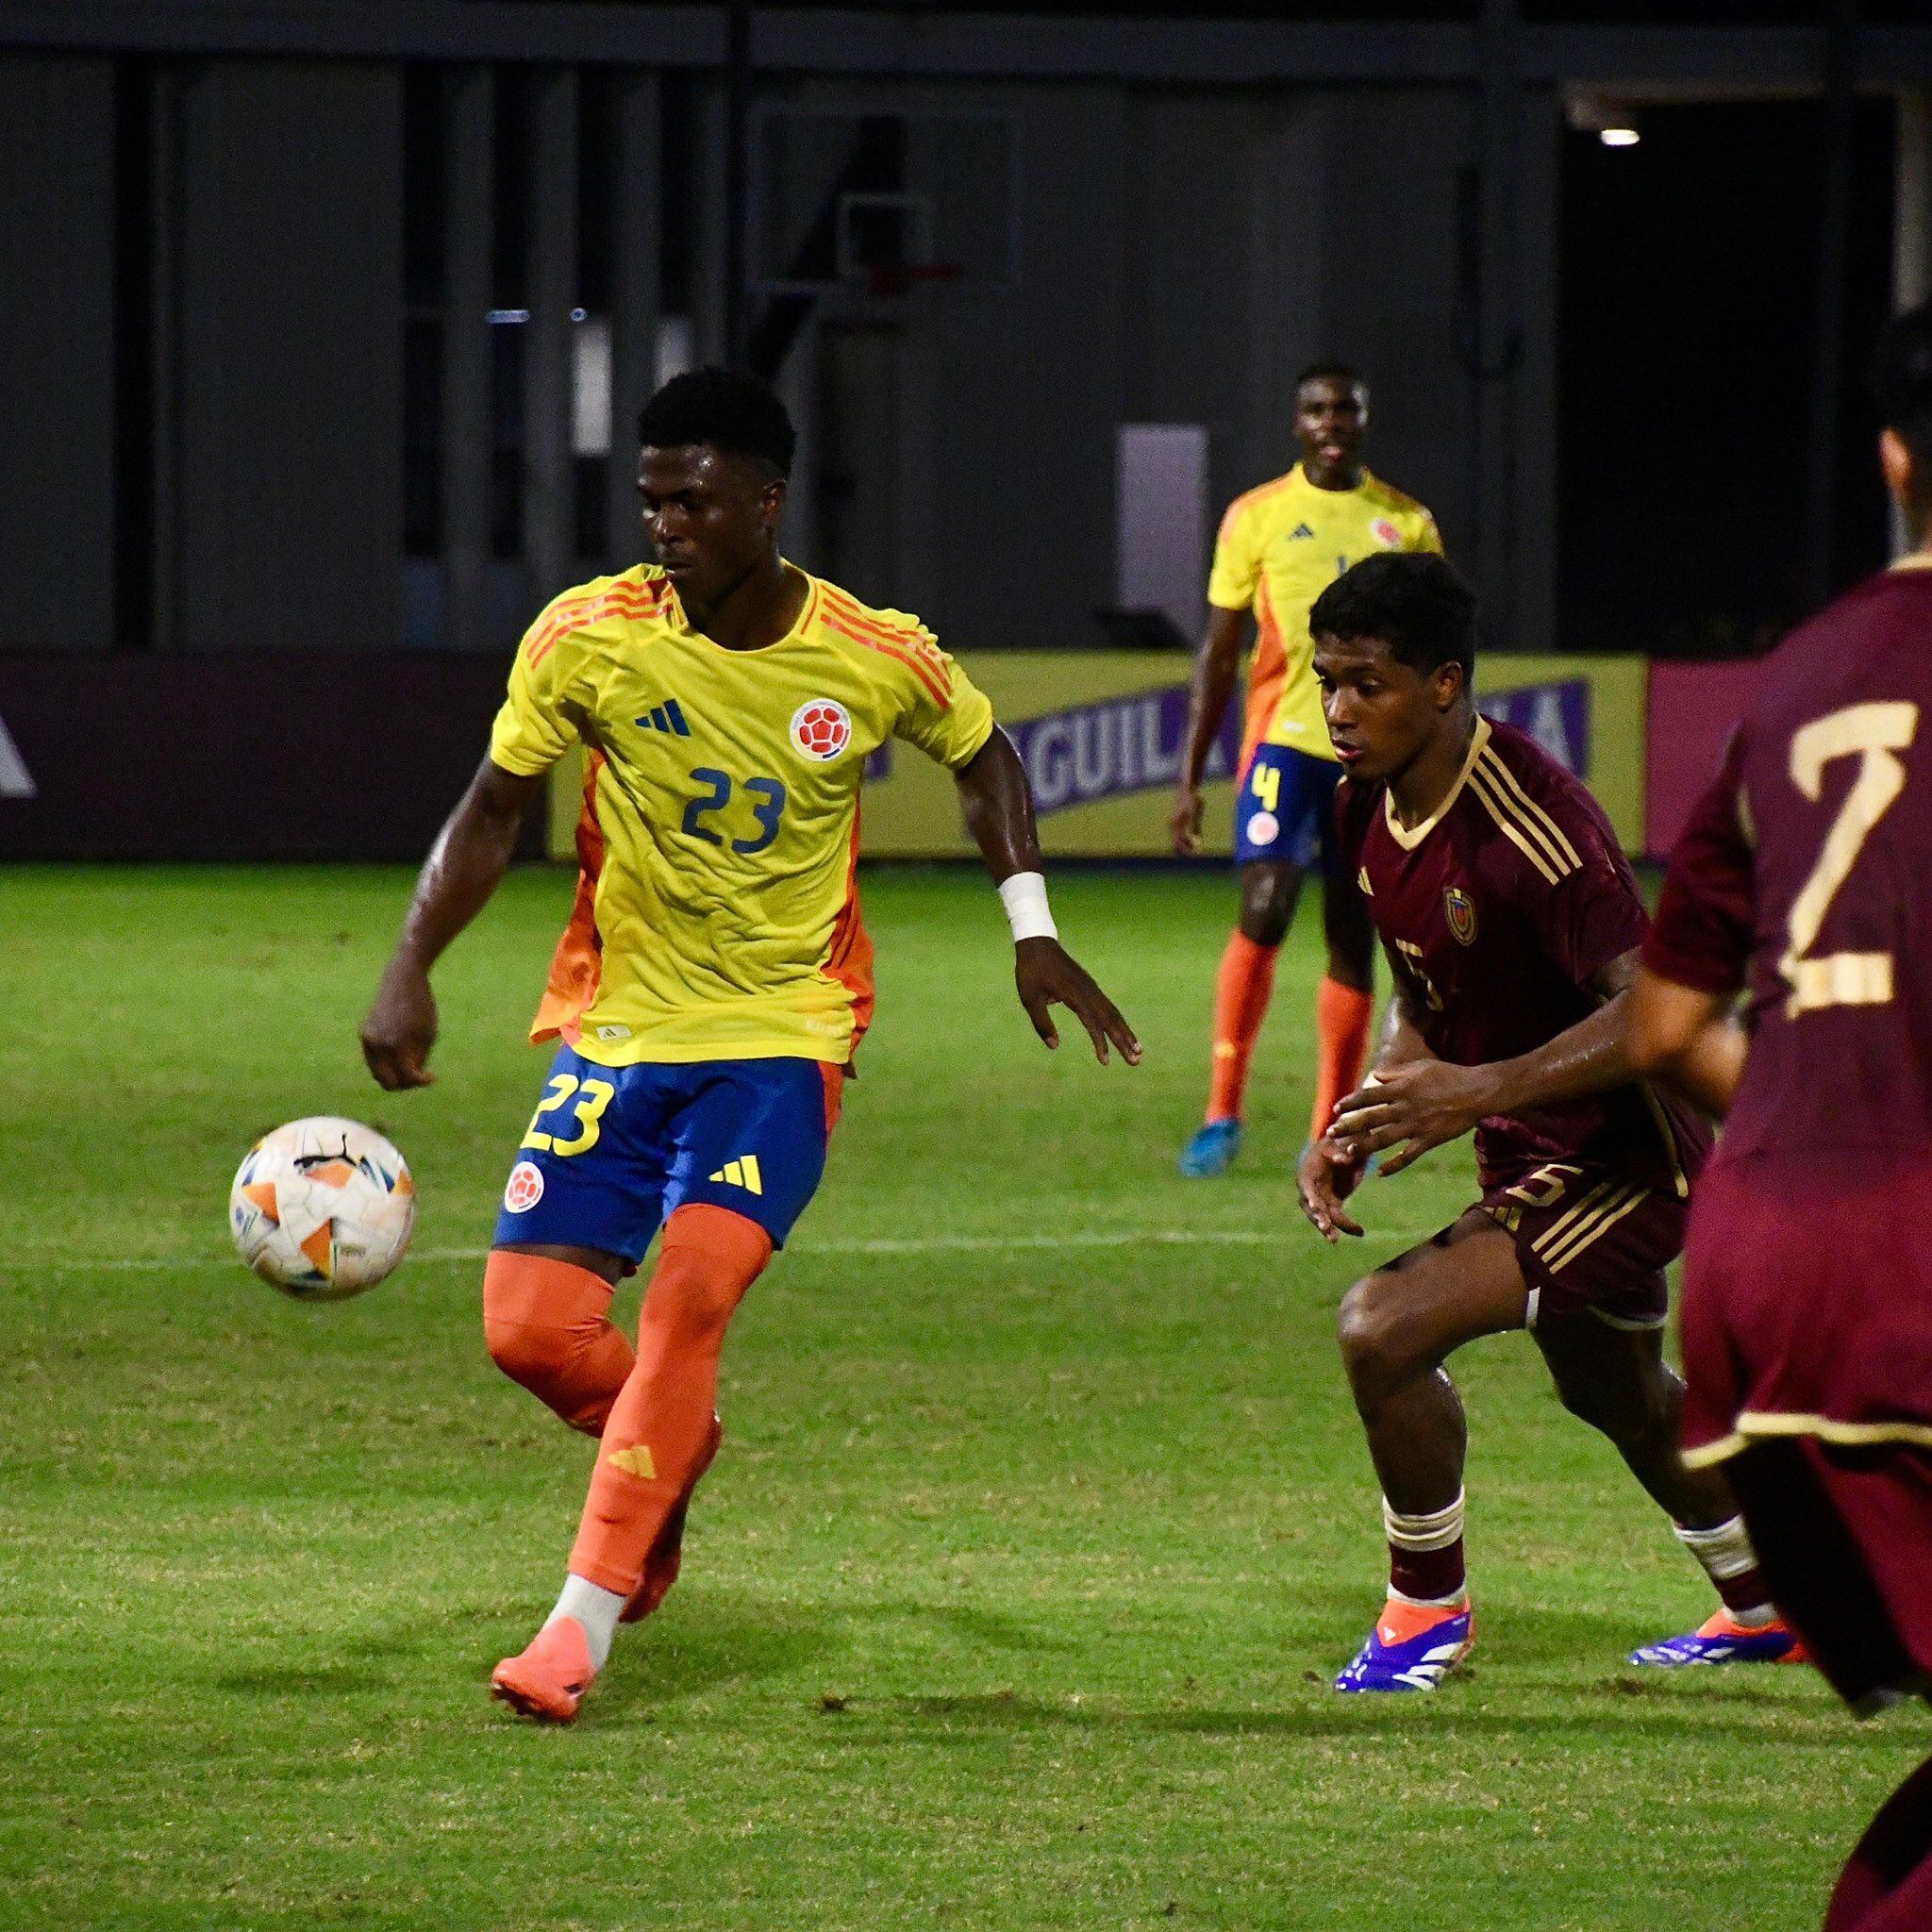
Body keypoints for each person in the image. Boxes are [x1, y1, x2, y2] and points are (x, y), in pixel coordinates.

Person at [360, 367, 1139, 1724]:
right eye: (652, 499)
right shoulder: (588, 636)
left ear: (765, 504)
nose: (664, 526)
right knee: (531, 1334)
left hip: (786, 1034)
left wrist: (1032, 925)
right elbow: (493, 809)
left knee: (689, 1300)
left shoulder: (867, 650)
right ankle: (670, 1440)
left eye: (692, 502)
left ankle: (575, 1632)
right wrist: (411, 967)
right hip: (623, 1028)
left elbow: (985, 752)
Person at [1293, 551, 1799, 1690]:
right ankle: (1769, 1597)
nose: (1336, 709)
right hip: (1533, 1147)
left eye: (1364, 683)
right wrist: (1360, 1114)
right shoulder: (1361, 803)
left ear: (1442, 682)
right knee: (1612, 1388)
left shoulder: (1532, 817)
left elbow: (1662, 1015)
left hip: (1629, 1156)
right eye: (1326, 681)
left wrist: (1475, 1090)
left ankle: (1426, 1611)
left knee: (1380, 1324)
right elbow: (1424, 993)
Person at [1626, 304, 1932, 1928]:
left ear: (1892, 459)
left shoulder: (1793, 673)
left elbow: (1668, 1021)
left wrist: (1833, 1120)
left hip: (1753, 1293)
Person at [1172, 364, 1441, 1178]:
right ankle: (1222, 1110)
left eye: (1345, 409)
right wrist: (1190, 778)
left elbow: (1443, 655)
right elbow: (1219, 652)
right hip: (1286, 744)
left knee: (1352, 938)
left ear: (1363, 420)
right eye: (1317, 410)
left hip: (1378, 760)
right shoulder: (1256, 516)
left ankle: (1328, 1125)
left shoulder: (1406, 523)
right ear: (1297, 424)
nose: (1332, 422)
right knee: (1265, 901)